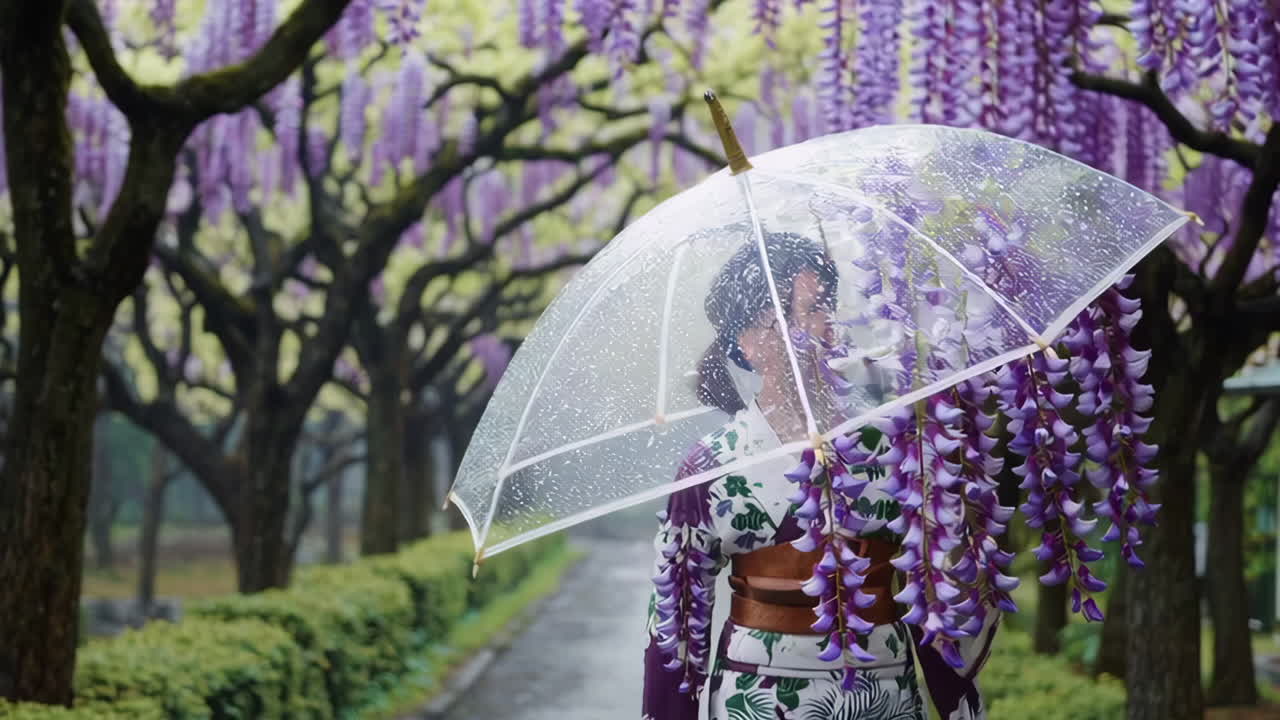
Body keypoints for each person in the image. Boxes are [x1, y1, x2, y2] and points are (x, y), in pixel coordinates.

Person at [641, 231, 999, 720]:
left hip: (882, 692)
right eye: (787, 317)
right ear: (746, 342)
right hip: (760, 697)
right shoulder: (710, 466)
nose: (814, 330)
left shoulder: (893, 443)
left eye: (820, 309)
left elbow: (931, 591)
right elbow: (675, 624)